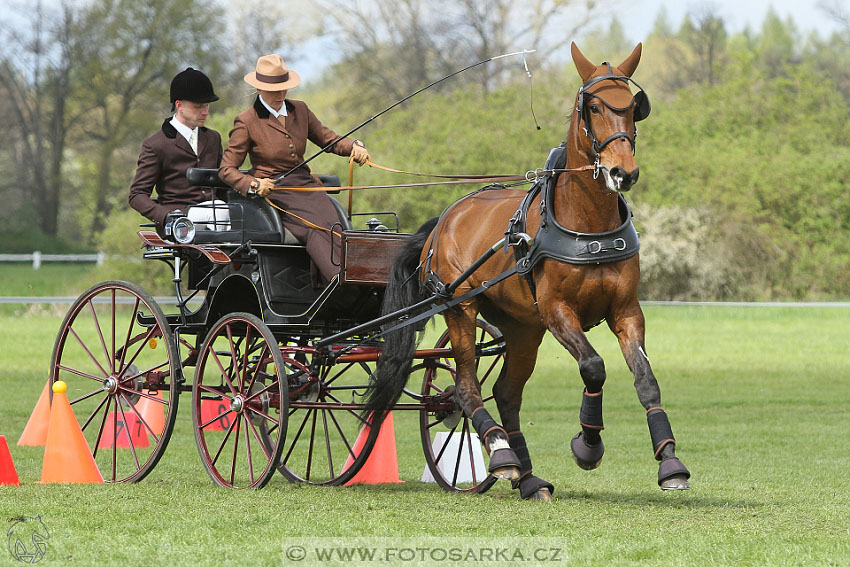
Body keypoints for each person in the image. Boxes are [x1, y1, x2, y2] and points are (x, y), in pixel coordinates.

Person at [218, 54, 370, 283]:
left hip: (305, 185)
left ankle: (355, 276)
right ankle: (337, 280)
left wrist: (353, 146)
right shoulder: (247, 121)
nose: (281, 95)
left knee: (336, 224)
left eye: (284, 88)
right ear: (259, 89)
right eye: (274, 90)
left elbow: (329, 140)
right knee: (315, 227)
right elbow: (226, 170)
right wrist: (253, 184)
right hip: (274, 191)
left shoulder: (301, 110)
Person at [129, 67, 226, 234]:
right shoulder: (156, 144)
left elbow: (223, 185)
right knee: (222, 213)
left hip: (216, 214)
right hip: (179, 220)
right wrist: (166, 216)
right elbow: (137, 195)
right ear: (179, 105)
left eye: (207, 106)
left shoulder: (213, 138)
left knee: (237, 214)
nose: (205, 112)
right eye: (199, 106)